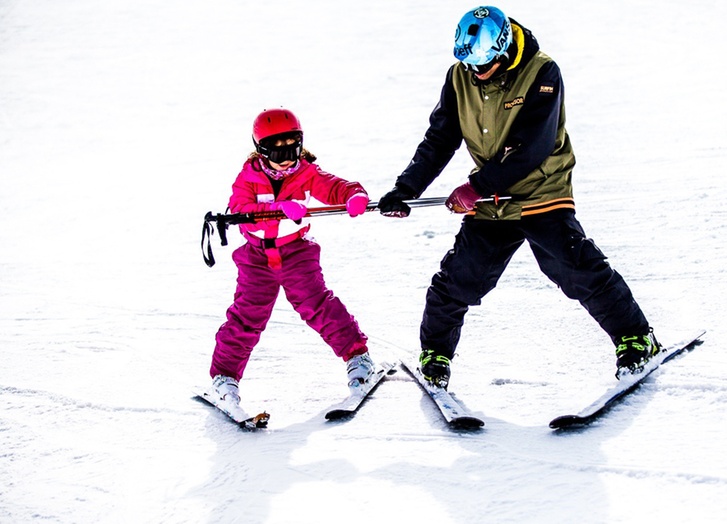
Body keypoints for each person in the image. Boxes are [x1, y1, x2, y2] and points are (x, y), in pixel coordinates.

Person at [378, 6, 659, 388]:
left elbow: (531, 146)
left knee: (575, 268)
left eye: (484, 63)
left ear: (503, 48)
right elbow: (441, 138)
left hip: (541, 190)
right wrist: (406, 189)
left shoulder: (542, 72)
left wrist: (476, 187)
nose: (476, 71)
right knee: (460, 278)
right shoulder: (460, 77)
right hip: (492, 201)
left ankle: (636, 338)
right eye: (469, 63)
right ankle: (436, 355)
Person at [210, 108, 373, 404]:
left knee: (316, 304)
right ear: (262, 150)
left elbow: (334, 187)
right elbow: (241, 211)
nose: (286, 158)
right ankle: (225, 375)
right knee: (247, 315)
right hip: (256, 257)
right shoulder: (248, 177)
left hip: (296, 251)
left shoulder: (306, 173)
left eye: (292, 148)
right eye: (276, 151)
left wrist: (354, 195)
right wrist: (277, 210)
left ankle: (357, 357)